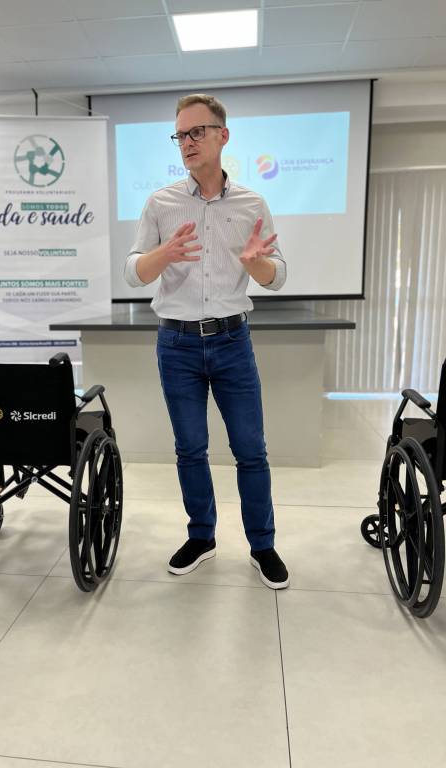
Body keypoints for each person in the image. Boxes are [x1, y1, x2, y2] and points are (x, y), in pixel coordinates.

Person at [124, 93, 289, 589]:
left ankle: (262, 545)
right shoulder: (161, 203)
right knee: (190, 449)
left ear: (223, 135)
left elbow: (277, 276)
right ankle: (202, 537)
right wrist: (164, 254)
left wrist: (255, 264)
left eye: (197, 131)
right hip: (176, 345)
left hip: (232, 341)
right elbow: (133, 272)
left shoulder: (252, 204)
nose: (187, 142)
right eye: (180, 134)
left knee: (251, 449)